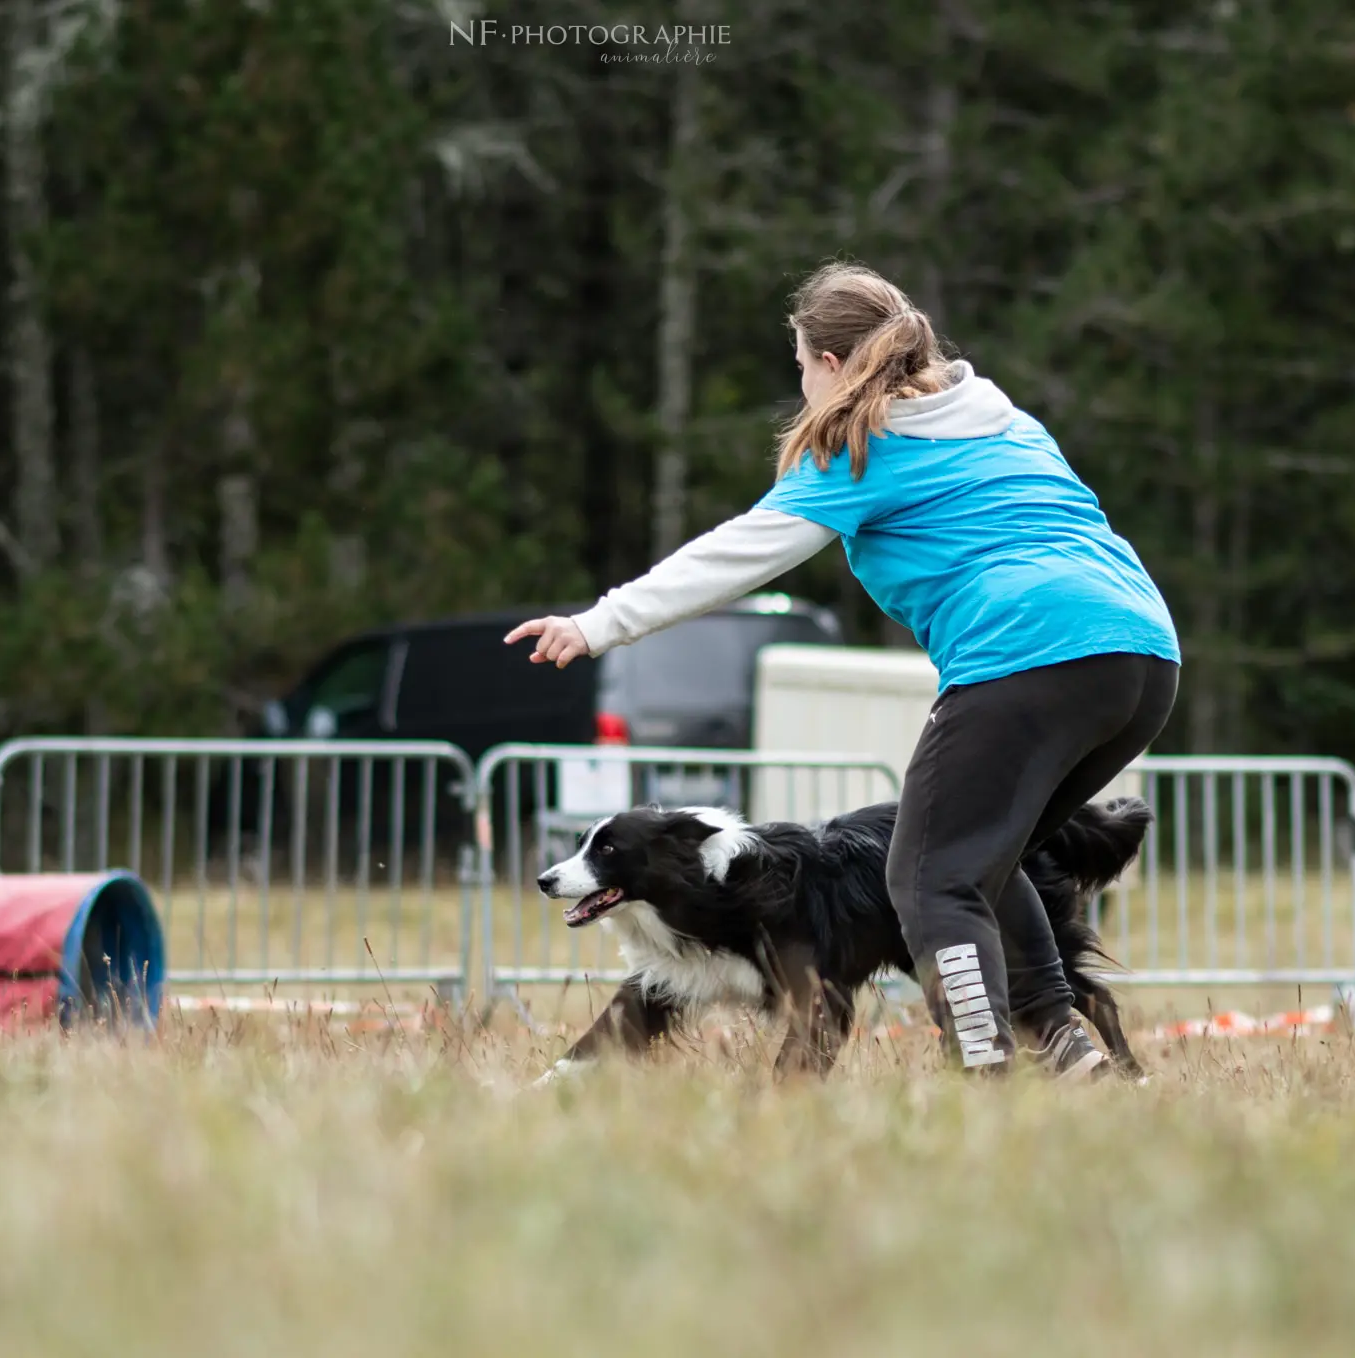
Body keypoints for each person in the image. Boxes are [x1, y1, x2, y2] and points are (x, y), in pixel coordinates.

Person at [504, 261, 1179, 1079]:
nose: (800, 384)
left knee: (927, 873)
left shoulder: (867, 445)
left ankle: (990, 1069)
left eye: (799, 366)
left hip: (1026, 651)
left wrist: (599, 622)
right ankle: (1067, 1049)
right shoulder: (1006, 423)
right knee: (981, 859)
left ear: (829, 364)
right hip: (1142, 655)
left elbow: (740, 553)